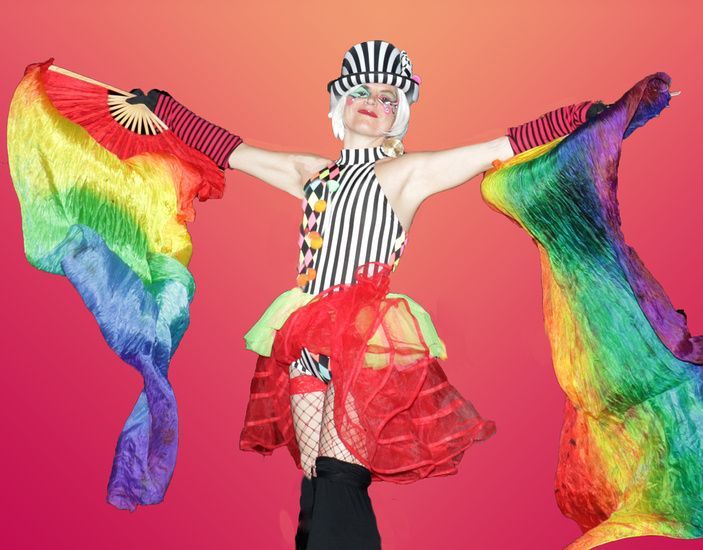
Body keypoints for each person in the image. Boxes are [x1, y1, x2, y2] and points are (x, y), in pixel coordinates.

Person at [127, 39, 603, 549]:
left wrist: (581, 116)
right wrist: (164, 109)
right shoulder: (312, 174)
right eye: (362, 90)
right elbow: (230, 150)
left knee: (340, 476)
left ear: (399, 115)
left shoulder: (406, 174)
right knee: (316, 479)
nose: (374, 101)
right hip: (304, 335)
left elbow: (500, 147)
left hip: (364, 338)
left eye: (389, 97)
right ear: (340, 100)